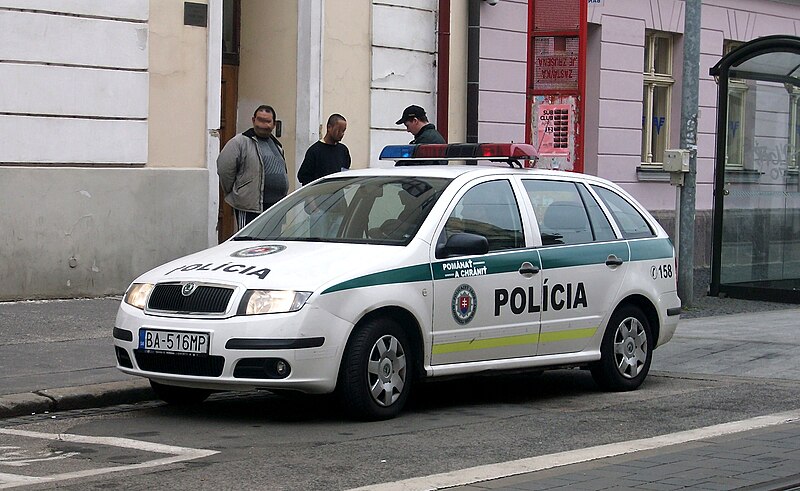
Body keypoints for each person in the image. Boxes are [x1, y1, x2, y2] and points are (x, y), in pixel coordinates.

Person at [217, 105, 289, 229]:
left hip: (275, 208)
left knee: (271, 245)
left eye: (267, 121)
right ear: (253, 120)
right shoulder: (239, 142)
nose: (262, 125)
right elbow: (224, 169)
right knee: (249, 244)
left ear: (273, 124)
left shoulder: (276, 145)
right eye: (259, 120)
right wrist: (238, 192)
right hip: (251, 208)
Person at [297, 113, 351, 185]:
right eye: (338, 130)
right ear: (329, 127)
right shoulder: (315, 151)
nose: (341, 134)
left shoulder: (343, 150)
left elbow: (345, 172)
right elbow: (303, 176)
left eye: (343, 131)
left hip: (338, 194)